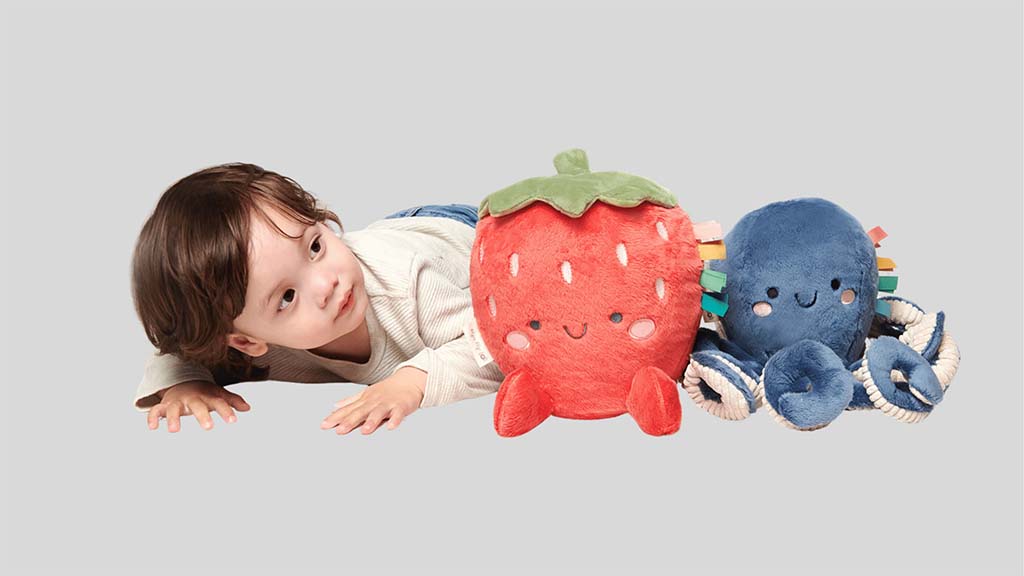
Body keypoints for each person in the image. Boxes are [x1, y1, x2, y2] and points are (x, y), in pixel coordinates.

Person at [131, 162, 502, 435]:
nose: (327, 284)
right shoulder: (248, 344)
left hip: (467, 235)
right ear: (246, 341)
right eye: (287, 297)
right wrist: (186, 385)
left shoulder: (410, 288)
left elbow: (496, 344)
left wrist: (412, 382)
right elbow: (177, 351)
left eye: (315, 246)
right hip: (392, 235)